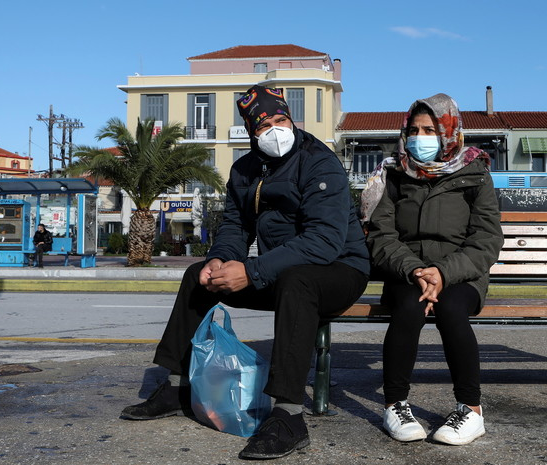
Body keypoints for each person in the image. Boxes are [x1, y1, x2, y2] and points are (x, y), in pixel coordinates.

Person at [120, 85, 370, 460]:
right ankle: (175, 386)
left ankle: (288, 415)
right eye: (263, 123)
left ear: (291, 118)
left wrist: (252, 272)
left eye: (280, 118)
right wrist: (219, 259)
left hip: (339, 270)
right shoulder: (243, 170)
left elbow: (324, 241)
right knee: (197, 277)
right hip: (282, 272)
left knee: (297, 282)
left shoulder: (319, 161)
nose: (274, 128)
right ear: (250, 131)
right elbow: (235, 228)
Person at [361, 93, 503, 446]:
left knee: (452, 309)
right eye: (414, 129)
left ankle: (471, 410)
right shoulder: (394, 174)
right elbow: (382, 234)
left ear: (448, 131)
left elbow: (486, 239)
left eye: (429, 129)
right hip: (407, 272)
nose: (420, 137)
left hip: (460, 273)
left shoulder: (475, 173)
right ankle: (395, 404)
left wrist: (442, 272)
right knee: (408, 308)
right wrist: (416, 270)